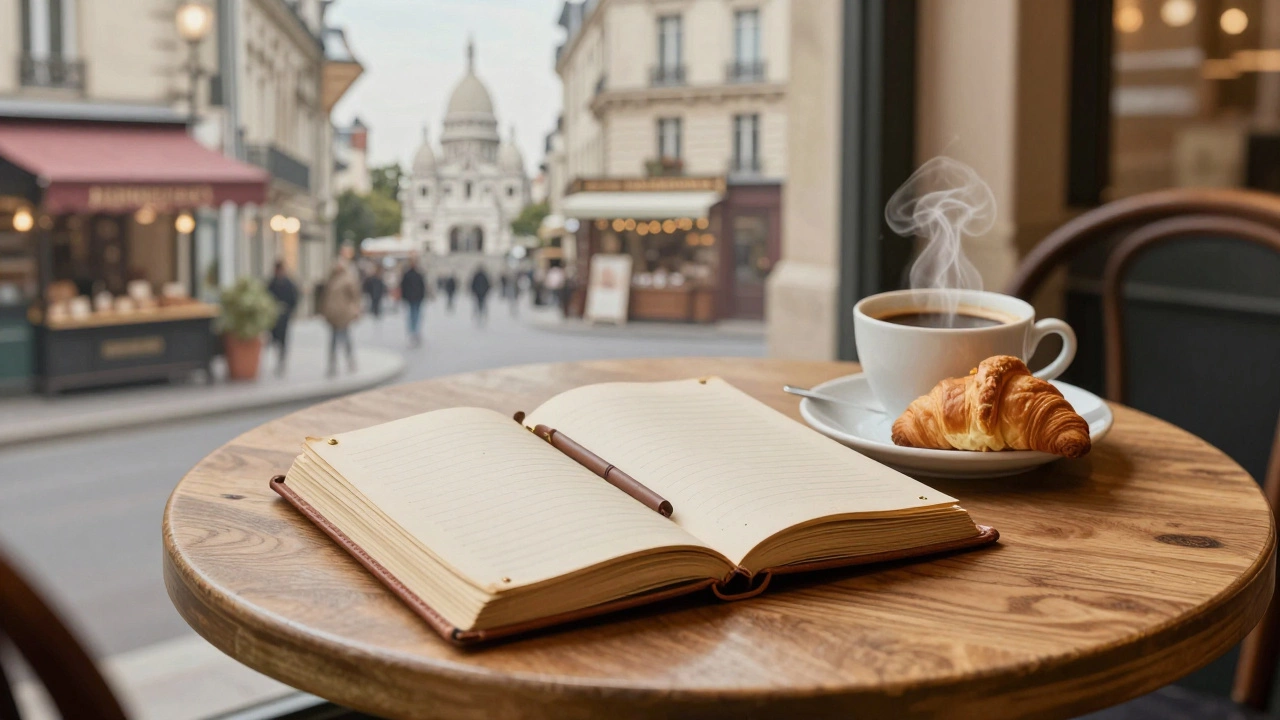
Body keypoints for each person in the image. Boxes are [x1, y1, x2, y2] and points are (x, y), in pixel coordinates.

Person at [321, 250, 361, 376]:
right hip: (333, 314)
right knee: (333, 340)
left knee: (345, 338)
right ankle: (332, 364)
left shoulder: (346, 280)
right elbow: (325, 297)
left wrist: (356, 309)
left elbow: (354, 296)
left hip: (343, 314)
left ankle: (350, 361)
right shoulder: (331, 280)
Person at [266, 260, 298, 376]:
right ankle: (278, 357)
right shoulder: (272, 283)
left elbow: (294, 298)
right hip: (274, 316)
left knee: (283, 338)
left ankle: (282, 358)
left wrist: (290, 310)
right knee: (274, 338)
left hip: (284, 315)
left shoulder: (288, 284)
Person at [400, 254, 427, 347]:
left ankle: (416, 332)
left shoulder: (419, 274)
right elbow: (403, 287)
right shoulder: (407, 274)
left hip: (417, 298)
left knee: (417, 315)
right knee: (412, 315)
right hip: (411, 298)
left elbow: (422, 286)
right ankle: (413, 332)